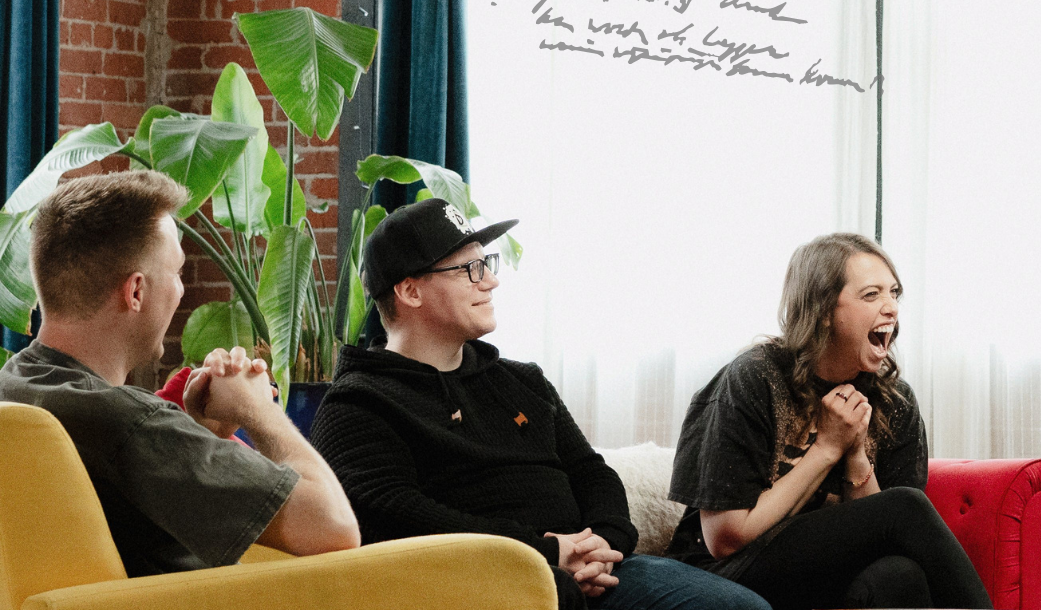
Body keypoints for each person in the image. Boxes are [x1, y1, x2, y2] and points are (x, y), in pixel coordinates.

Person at [309, 198, 768, 610]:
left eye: (485, 263)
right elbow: (389, 515)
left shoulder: (522, 380)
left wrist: (603, 543)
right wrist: (544, 554)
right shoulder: (360, 401)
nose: (490, 280)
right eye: (469, 269)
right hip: (483, 587)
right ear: (410, 292)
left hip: (599, 574)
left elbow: (592, 472)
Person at [0, 170, 359, 575]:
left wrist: (200, 432)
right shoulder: (130, 424)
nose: (181, 290)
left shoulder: (16, 384)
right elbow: (335, 528)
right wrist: (257, 409)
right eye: (176, 273)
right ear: (136, 291)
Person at [665, 232, 993, 610]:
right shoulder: (757, 377)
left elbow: (888, 534)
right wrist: (826, 448)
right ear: (823, 311)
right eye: (871, 295)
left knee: (900, 573)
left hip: (816, 571)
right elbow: (724, 539)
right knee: (904, 506)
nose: (891, 308)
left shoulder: (894, 400)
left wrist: (855, 455)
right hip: (722, 572)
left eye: (894, 293)